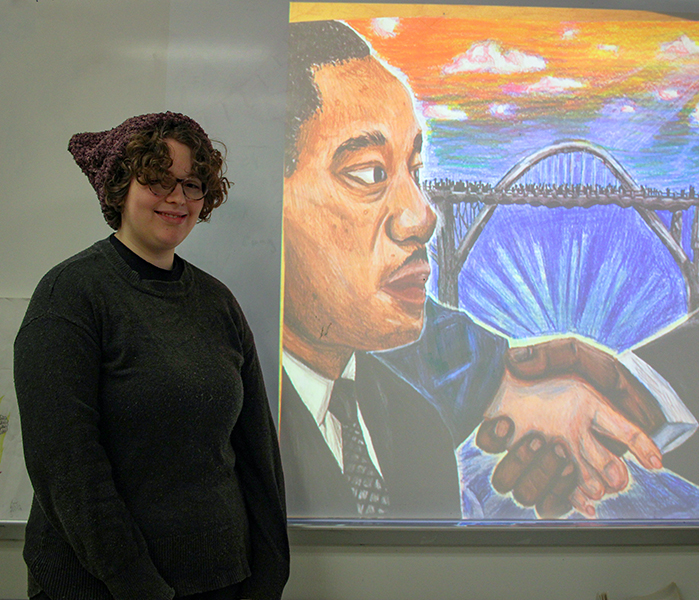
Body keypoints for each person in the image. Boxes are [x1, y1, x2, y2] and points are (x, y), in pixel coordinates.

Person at [279, 21, 671, 520]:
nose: (423, 215)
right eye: (370, 174)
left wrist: (503, 383)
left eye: (414, 172)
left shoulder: (421, 428)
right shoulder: (220, 424)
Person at [14, 113, 290, 600]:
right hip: (100, 586)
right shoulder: (70, 295)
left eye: (191, 184)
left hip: (223, 580)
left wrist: (269, 574)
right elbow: (66, 468)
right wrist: (135, 584)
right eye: (158, 180)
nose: (177, 198)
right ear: (119, 187)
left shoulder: (217, 302)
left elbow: (257, 455)